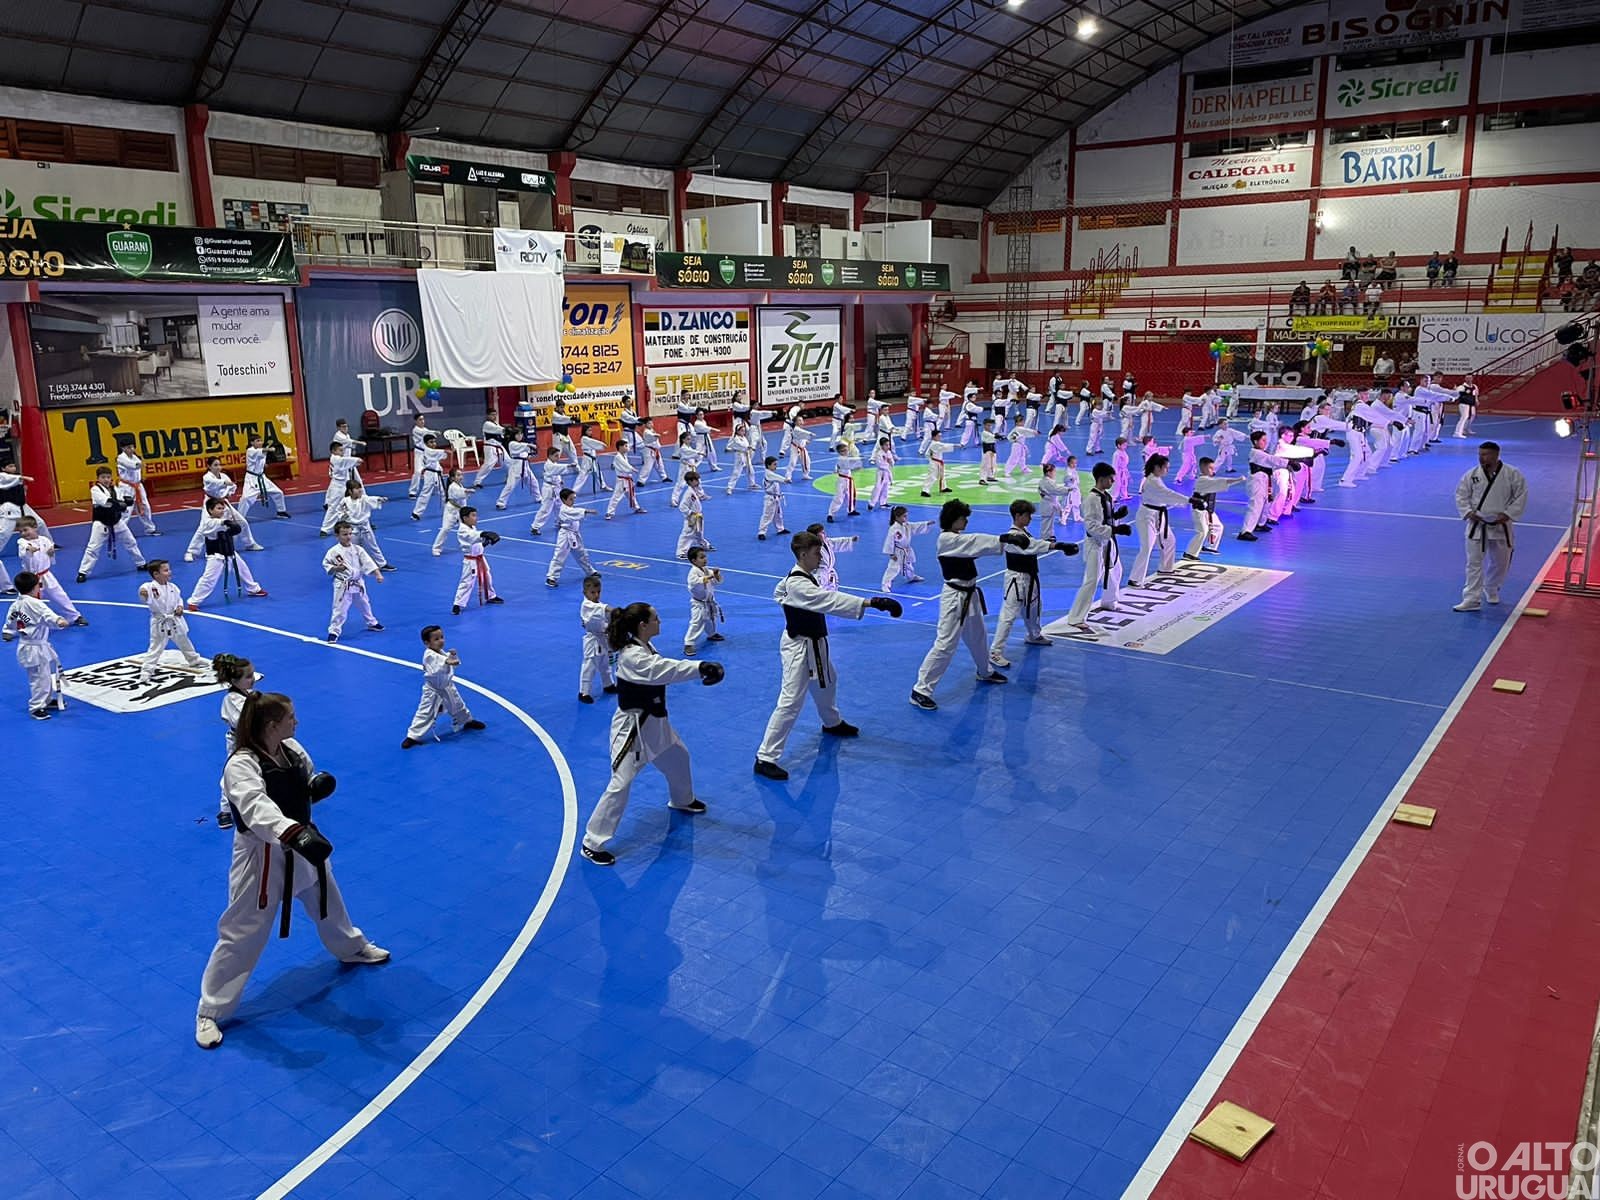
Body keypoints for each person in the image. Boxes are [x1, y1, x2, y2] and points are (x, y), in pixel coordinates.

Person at [195, 691, 389, 1049]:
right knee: (242, 931)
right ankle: (210, 1009)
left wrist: (314, 791)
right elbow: (255, 806)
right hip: (263, 855)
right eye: (290, 717)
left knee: (328, 901)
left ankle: (351, 947)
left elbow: (302, 783)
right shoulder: (241, 764)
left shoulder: (293, 749)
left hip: (301, 842)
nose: (295, 722)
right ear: (272, 725)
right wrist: (292, 832)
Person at [753, 531, 903, 780]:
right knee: (790, 701)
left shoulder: (799, 578)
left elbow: (779, 592)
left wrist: (786, 602)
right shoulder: (798, 583)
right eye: (816, 553)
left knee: (828, 682)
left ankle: (831, 722)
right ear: (803, 554)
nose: (821, 557)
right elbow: (829, 600)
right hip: (799, 649)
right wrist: (871, 602)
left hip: (815, 643)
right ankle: (765, 757)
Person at [581, 603, 718, 866]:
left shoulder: (644, 647)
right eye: (656, 618)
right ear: (643, 625)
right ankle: (592, 841)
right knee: (620, 783)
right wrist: (701, 667)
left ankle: (682, 800)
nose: (660, 621)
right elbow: (666, 670)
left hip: (655, 723)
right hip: (633, 729)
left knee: (679, 758)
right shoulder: (633, 656)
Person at [909, 500, 1029, 710]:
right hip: (954, 598)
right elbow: (974, 542)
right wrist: (1005, 538)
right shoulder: (946, 540)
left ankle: (984, 671)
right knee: (945, 644)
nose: (966, 520)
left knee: (978, 637)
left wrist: (1004, 539)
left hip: (970, 594)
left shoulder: (957, 539)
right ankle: (920, 689)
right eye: (963, 517)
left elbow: (973, 543)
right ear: (953, 519)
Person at [989, 499, 1074, 667]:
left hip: (1030, 577)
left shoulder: (1024, 532)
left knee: (1034, 609)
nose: (1029, 518)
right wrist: (1058, 545)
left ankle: (1034, 635)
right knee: (1008, 616)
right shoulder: (1013, 537)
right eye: (1027, 515)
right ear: (1018, 516)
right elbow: (1033, 546)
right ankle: (995, 651)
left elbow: (1033, 544)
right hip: (1016, 579)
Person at [1453, 442, 1527, 612]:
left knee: (1501, 562)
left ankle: (1492, 587)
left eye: (1486, 454)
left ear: (1496, 455)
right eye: (1480, 454)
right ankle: (1471, 599)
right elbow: (1461, 495)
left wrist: (1508, 514)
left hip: (1501, 525)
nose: (1481, 457)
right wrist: (1468, 512)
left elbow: (1521, 495)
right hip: (1477, 525)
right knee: (1473, 564)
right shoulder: (1471, 475)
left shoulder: (1512, 474)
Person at [1064, 463, 1129, 631]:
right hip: (1096, 543)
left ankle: (1109, 601)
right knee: (1092, 580)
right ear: (1101, 479)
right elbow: (1091, 526)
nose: (1113, 481)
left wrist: (1116, 516)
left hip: (1108, 540)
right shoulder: (1092, 499)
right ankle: (1076, 617)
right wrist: (1115, 529)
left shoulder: (1106, 496)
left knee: (1116, 570)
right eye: (1111, 478)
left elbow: (1104, 517)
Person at [403, 625, 488, 747]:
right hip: (433, 690)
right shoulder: (429, 655)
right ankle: (413, 736)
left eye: (442, 637)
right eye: (436, 639)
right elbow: (437, 666)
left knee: (458, 705)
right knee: (425, 711)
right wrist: (448, 661)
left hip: (447, 686)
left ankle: (467, 721)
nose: (441, 641)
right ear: (427, 643)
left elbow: (451, 662)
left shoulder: (442, 653)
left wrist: (452, 656)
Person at [3, 571, 68, 719]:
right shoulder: (36, 604)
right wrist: (59, 621)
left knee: (43, 675)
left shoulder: (16, 604)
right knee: (39, 678)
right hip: (34, 647)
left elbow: (10, 622)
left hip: (27, 645)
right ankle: (36, 707)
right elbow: (48, 615)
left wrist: (8, 632)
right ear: (34, 588)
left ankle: (46, 699)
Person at [187, 499, 268, 608]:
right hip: (216, 556)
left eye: (222, 508)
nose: (222, 511)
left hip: (230, 552)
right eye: (218, 508)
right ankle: (194, 601)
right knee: (209, 579)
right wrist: (228, 522)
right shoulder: (208, 523)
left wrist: (232, 527)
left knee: (243, 570)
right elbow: (218, 524)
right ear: (210, 510)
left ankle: (253, 589)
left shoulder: (222, 520)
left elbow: (235, 528)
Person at [137, 561, 208, 681]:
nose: (169, 572)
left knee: (184, 640)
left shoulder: (173, 587)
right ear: (156, 574)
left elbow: (178, 599)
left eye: (169, 569)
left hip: (174, 620)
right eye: (165, 570)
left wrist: (180, 607)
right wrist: (142, 593)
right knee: (156, 647)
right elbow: (143, 592)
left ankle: (193, 659)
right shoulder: (149, 587)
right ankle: (147, 670)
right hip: (160, 621)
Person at [1128, 455, 1190, 588]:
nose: (1167, 470)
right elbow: (1168, 494)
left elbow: (1165, 498)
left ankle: (1165, 568)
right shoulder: (1152, 482)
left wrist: (1186, 501)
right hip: (1147, 517)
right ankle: (1134, 579)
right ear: (1157, 467)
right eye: (1165, 467)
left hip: (1158, 514)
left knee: (1169, 540)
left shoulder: (1156, 479)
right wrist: (1188, 500)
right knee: (1146, 548)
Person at [78, 467, 147, 581]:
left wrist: (124, 502)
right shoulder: (95, 490)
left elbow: (123, 502)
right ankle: (83, 572)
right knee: (93, 548)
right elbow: (107, 502)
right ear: (98, 478)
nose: (106, 479)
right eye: (103, 477)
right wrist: (122, 504)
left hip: (116, 521)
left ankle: (141, 563)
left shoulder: (115, 489)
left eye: (108, 477)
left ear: (111, 478)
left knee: (131, 542)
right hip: (101, 523)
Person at [185, 458, 261, 560]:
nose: (218, 467)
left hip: (223, 502)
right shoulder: (207, 477)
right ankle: (191, 552)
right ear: (209, 466)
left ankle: (250, 544)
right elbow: (216, 482)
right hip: (210, 503)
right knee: (203, 527)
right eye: (215, 465)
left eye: (219, 465)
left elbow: (232, 487)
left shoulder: (224, 475)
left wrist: (229, 492)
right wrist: (225, 483)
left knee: (242, 522)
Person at [211, 653, 255, 828]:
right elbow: (242, 721)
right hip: (239, 742)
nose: (253, 679)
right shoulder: (231, 699)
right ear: (235, 680)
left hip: (256, 739)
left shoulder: (250, 694)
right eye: (248, 677)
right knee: (232, 773)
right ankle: (225, 810)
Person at [14, 516, 85, 624]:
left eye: (25, 530)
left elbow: (50, 553)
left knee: (59, 595)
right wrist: (29, 549)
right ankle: (17, 624)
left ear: (35, 527)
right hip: (29, 579)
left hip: (46, 576)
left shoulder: (45, 540)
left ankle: (74, 616)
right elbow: (24, 548)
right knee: (24, 602)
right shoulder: (22, 542)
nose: (23, 533)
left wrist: (51, 553)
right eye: (20, 531)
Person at [323, 522, 384, 643]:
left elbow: (368, 562)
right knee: (340, 609)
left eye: (350, 534)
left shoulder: (357, 549)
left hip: (358, 583)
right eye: (344, 534)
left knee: (364, 604)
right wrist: (336, 569)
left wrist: (377, 574)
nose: (348, 537)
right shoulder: (333, 552)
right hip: (342, 585)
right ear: (337, 536)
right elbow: (327, 565)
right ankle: (334, 631)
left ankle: (372, 622)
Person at [327, 480, 393, 571]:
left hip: (365, 527)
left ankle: (381, 564)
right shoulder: (345, 501)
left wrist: (380, 499)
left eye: (360, 488)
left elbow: (372, 499)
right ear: (350, 491)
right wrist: (343, 516)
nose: (360, 490)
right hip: (352, 529)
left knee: (373, 546)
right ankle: (348, 566)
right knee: (351, 548)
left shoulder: (364, 498)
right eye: (357, 489)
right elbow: (339, 513)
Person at [1186, 457, 1245, 559]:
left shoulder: (1208, 480)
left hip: (1208, 511)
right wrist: (1238, 480)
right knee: (1202, 531)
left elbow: (1219, 483)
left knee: (1218, 527)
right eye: (1210, 468)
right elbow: (1221, 482)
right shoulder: (1202, 481)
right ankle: (1190, 553)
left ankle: (1209, 546)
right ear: (1203, 468)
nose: (1213, 471)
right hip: (1199, 511)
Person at [453, 508, 503, 614]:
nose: (476, 518)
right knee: (467, 582)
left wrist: (486, 542)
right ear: (465, 518)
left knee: (487, 577)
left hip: (480, 558)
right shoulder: (462, 530)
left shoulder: (472, 527)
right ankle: (458, 604)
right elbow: (471, 537)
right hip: (470, 561)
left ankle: (490, 596)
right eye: (473, 515)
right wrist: (485, 533)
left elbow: (476, 542)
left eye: (476, 515)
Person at [577, 574, 616, 704]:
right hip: (592, 640)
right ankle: (584, 692)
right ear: (585, 592)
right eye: (592, 592)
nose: (596, 595)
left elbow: (607, 617)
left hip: (604, 639)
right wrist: (611, 609)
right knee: (590, 666)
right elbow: (601, 609)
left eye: (598, 592)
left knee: (606, 665)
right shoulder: (587, 605)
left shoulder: (599, 604)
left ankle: (608, 684)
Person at [546, 489, 596, 587]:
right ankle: (551, 577)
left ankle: (590, 571)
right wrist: (587, 511)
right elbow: (574, 512)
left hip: (574, 535)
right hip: (565, 536)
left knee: (582, 554)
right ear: (564, 500)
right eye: (571, 499)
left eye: (574, 499)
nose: (573, 501)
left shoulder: (570, 508)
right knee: (559, 556)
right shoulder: (564, 509)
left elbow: (574, 512)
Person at [238, 433, 291, 521]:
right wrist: (271, 448)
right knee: (246, 498)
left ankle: (281, 511)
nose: (260, 442)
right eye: (257, 441)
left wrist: (263, 465)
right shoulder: (250, 450)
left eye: (261, 440)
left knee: (278, 492)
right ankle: (239, 518)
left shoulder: (260, 450)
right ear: (252, 443)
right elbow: (262, 452)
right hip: (252, 478)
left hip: (262, 477)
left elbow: (259, 459)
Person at [880, 505, 933, 590]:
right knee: (893, 568)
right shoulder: (894, 528)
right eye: (904, 516)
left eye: (906, 515)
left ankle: (911, 577)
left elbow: (915, 526)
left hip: (906, 550)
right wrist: (891, 554)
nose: (906, 517)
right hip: (897, 552)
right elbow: (889, 541)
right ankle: (885, 584)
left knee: (908, 565)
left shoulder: (906, 525)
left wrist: (926, 524)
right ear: (897, 517)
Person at [683, 547, 724, 655]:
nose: (705, 559)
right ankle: (689, 643)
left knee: (711, 619)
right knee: (696, 623)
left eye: (705, 556)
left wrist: (716, 575)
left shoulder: (706, 570)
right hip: (699, 603)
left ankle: (711, 634)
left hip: (709, 601)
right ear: (694, 560)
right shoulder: (693, 573)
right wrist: (710, 576)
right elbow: (696, 583)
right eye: (701, 557)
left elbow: (716, 582)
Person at [115, 437, 160, 535]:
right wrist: (141, 463)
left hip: (138, 486)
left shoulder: (135, 457)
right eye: (128, 447)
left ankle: (150, 529)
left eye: (132, 447)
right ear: (123, 448)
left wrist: (141, 467)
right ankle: (120, 531)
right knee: (126, 510)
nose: (131, 449)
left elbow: (139, 466)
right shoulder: (121, 458)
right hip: (126, 487)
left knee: (145, 507)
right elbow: (132, 466)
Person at [320, 441, 364, 533]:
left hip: (344, 485)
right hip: (337, 486)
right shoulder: (335, 459)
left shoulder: (339, 458)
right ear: (333, 451)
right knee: (333, 507)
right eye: (340, 450)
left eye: (342, 450)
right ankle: (325, 529)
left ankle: (355, 523)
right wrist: (356, 460)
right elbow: (344, 461)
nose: (342, 452)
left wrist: (355, 462)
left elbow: (346, 463)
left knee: (351, 504)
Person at [430, 466, 470, 556]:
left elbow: (462, 492)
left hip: (461, 510)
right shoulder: (452, 487)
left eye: (461, 475)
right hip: (451, 510)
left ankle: (466, 545)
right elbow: (459, 495)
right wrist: (467, 491)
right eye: (458, 475)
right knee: (446, 529)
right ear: (452, 478)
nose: (461, 477)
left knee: (465, 528)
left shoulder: (459, 485)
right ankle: (436, 548)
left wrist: (466, 491)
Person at [495, 426, 537, 511]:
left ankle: (538, 498)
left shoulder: (523, 444)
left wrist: (530, 454)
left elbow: (528, 452)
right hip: (516, 467)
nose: (520, 436)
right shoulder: (512, 443)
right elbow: (522, 447)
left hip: (525, 466)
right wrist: (529, 445)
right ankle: (501, 502)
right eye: (517, 434)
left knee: (533, 482)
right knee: (510, 485)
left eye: (521, 434)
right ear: (514, 435)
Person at [410, 434, 449, 520]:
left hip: (437, 474)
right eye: (431, 442)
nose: (434, 444)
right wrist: (446, 451)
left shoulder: (433, 451)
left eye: (434, 442)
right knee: (425, 493)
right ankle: (416, 513)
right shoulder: (427, 451)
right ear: (425, 443)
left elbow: (442, 457)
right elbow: (437, 453)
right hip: (430, 474)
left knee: (444, 493)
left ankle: (447, 511)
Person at [676, 471, 710, 559]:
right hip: (692, 517)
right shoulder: (688, 493)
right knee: (687, 534)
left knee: (699, 533)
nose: (698, 481)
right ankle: (681, 552)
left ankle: (704, 545)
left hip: (698, 516)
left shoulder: (694, 490)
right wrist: (691, 513)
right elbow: (682, 507)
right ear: (691, 482)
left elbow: (699, 494)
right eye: (696, 480)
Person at [827, 442, 862, 520]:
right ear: (840, 452)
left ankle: (851, 510)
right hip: (842, 480)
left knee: (850, 495)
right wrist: (857, 464)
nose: (846, 452)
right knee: (839, 498)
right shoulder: (841, 459)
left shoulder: (845, 458)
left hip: (848, 479)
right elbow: (849, 466)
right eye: (844, 451)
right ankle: (830, 514)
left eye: (846, 450)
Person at [757, 457, 788, 540]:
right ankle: (761, 532)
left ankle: (780, 529)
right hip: (770, 498)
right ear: (768, 465)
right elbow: (777, 477)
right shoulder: (768, 474)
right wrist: (785, 480)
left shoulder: (771, 473)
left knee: (778, 515)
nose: (776, 466)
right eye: (774, 464)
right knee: (767, 515)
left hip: (776, 497)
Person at [867, 436, 896, 510]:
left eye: (888, 445)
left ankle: (883, 502)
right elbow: (879, 464)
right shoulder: (879, 454)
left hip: (887, 472)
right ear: (882, 446)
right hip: (881, 472)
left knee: (886, 487)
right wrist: (887, 464)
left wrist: (891, 462)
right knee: (878, 488)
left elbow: (892, 463)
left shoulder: (889, 452)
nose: (888, 447)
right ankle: (872, 503)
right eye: (886, 445)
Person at [407, 414, 430, 497]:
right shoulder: (416, 430)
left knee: (436, 469)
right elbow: (425, 433)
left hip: (427, 453)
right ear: (416, 421)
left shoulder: (426, 429)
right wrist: (434, 432)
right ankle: (412, 492)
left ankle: (438, 487)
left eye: (423, 419)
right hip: (419, 452)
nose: (422, 421)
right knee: (417, 472)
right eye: (420, 419)